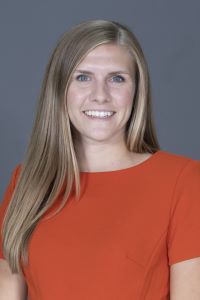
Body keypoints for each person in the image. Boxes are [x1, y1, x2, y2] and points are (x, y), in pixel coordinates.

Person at [0, 19, 200, 300]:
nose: (100, 95)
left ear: (136, 91)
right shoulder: (27, 182)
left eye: (117, 78)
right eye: (82, 77)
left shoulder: (183, 180)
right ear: (59, 90)